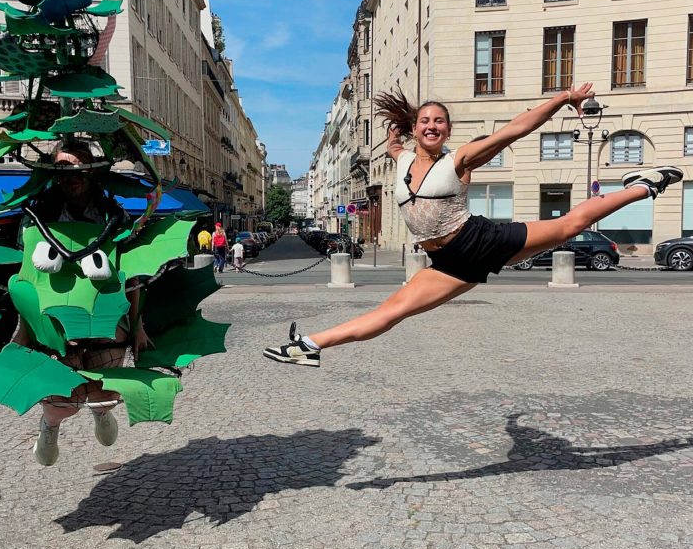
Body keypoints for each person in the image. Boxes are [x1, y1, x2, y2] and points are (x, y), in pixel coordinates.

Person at [263, 84, 682, 367]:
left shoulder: (459, 159)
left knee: (571, 225)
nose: (432, 126)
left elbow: (518, 128)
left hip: (478, 238)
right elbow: (392, 140)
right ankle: (310, 346)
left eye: (439, 122)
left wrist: (562, 99)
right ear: (414, 128)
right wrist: (394, 129)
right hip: (446, 260)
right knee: (391, 313)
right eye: (425, 121)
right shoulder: (400, 157)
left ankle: (647, 186)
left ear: (447, 130)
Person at [15, 142, 153, 464]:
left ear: (91, 173)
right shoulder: (37, 216)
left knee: (105, 390)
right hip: (54, 320)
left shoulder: (113, 217)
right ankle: (50, 426)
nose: (71, 178)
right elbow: (24, 278)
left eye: (77, 171)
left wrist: (138, 326)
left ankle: (102, 413)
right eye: (63, 171)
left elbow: (130, 277)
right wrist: (23, 330)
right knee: (63, 397)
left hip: (104, 313)